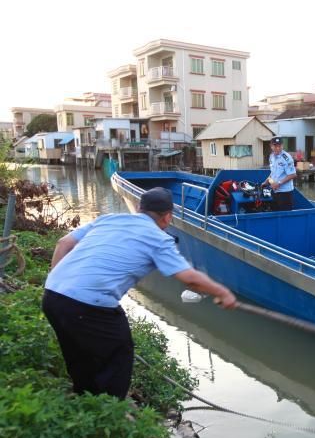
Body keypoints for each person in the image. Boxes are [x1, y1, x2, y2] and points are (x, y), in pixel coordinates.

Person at [42, 187, 237, 400]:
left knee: (77, 352)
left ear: (138, 208)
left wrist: (57, 280)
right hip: (89, 305)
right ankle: (112, 410)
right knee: (119, 352)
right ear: (168, 217)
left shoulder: (108, 219)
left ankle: (85, 397)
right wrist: (222, 292)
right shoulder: (158, 239)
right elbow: (189, 278)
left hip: (52, 295)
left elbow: (64, 243)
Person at [264, 136, 297, 211]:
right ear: (271, 146)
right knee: (275, 214)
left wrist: (279, 183)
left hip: (285, 193)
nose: (278, 148)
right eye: (275, 146)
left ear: (282, 146)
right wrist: (266, 181)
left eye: (280, 146)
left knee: (285, 217)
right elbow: (273, 173)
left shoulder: (287, 158)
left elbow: (293, 174)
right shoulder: (271, 157)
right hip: (275, 191)